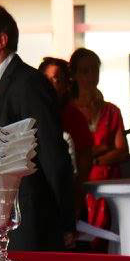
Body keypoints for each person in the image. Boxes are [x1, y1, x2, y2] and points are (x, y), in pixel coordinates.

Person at [0, 2, 76, 250]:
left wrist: (66, 223)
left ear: (0, 40)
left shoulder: (28, 84)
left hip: (27, 228)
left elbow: (54, 157)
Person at [70, 47, 128, 237]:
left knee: (108, 238)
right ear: (74, 74)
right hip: (78, 186)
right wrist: (102, 149)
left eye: (94, 70)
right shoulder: (67, 111)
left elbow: (122, 151)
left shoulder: (112, 110)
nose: (90, 76)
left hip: (108, 186)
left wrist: (92, 158)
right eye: (84, 71)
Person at [39, 56, 92, 186]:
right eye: (45, 79)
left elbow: (85, 161)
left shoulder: (75, 117)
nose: (48, 85)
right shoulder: (31, 114)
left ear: (65, 85)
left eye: (55, 80)